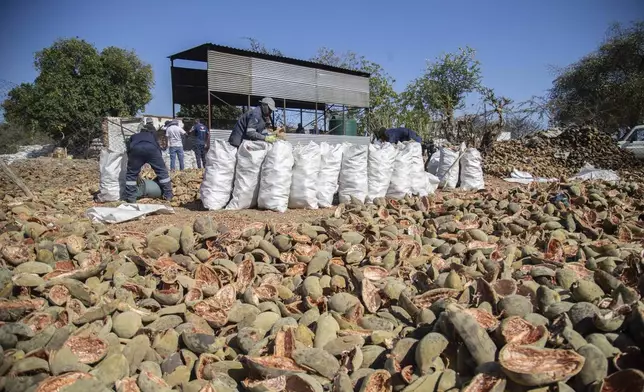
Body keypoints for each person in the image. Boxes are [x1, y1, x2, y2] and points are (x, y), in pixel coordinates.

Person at [123, 119, 173, 203]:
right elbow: (158, 148)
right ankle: (168, 195)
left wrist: (132, 164)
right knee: (162, 172)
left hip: (136, 149)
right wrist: (160, 163)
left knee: (131, 175)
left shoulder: (134, 136)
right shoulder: (152, 136)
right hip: (152, 149)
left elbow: (129, 149)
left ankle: (131, 198)